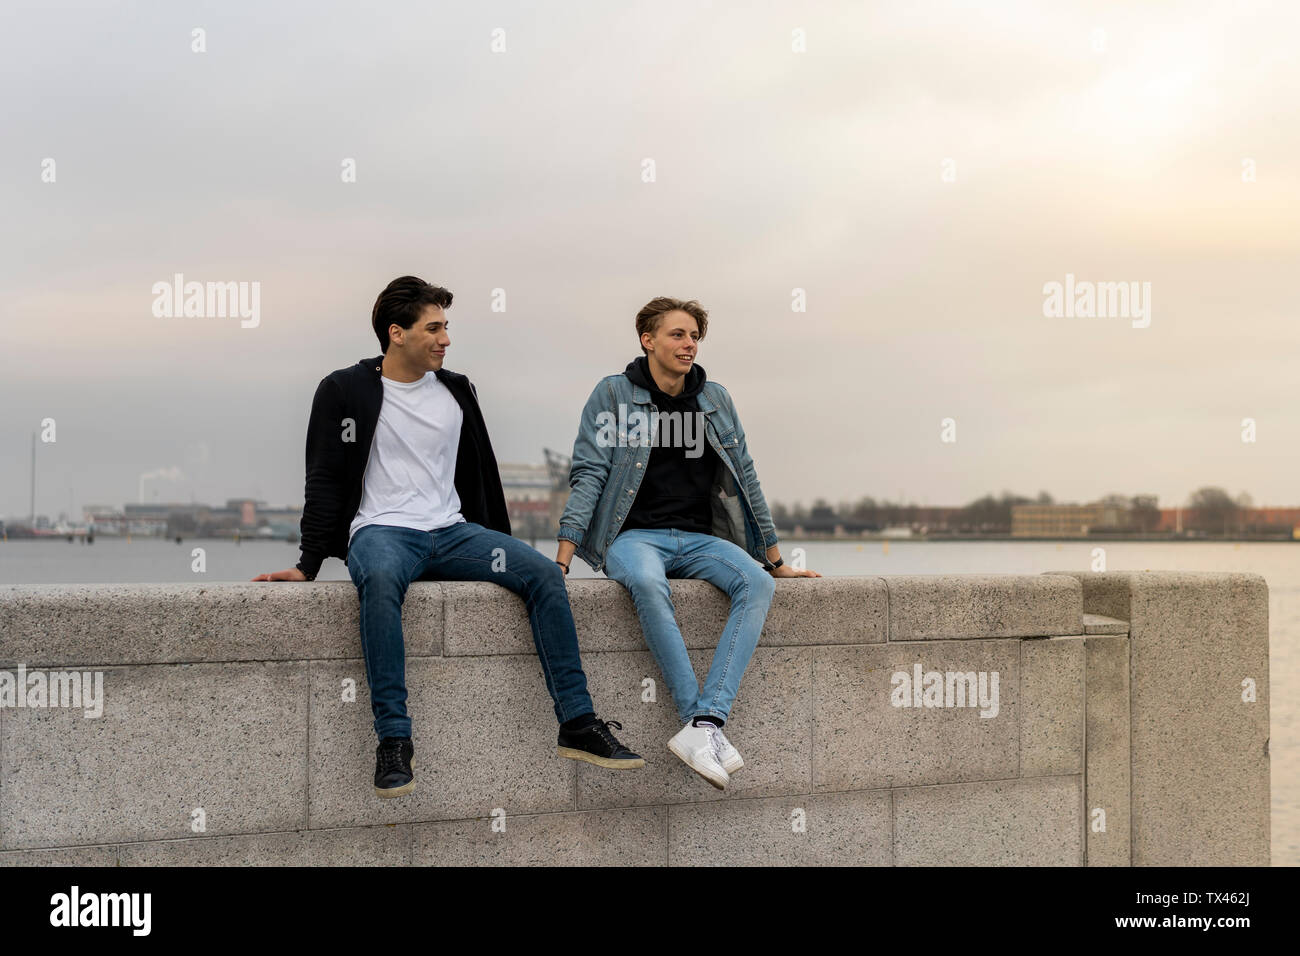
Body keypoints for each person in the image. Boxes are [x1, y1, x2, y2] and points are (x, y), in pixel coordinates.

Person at [254, 276, 643, 798]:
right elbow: (324, 476)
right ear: (396, 333)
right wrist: (307, 562)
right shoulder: (344, 389)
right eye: (433, 328)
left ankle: (577, 721)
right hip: (383, 530)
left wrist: (500, 542)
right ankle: (394, 740)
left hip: (453, 531)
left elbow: (479, 471)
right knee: (381, 582)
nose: (445, 339)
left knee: (544, 576)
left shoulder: (456, 388)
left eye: (446, 327)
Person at [555, 296, 819, 789]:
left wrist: (776, 561)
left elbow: (747, 478)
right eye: (677, 334)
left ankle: (705, 723)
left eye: (694, 335)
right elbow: (588, 473)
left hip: (699, 539)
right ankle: (700, 721)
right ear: (647, 339)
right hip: (634, 538)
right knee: (649, 586)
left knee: (757, 586)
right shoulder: (613, 395)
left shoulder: (715, 399)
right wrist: (564, 561)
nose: (689, 344)